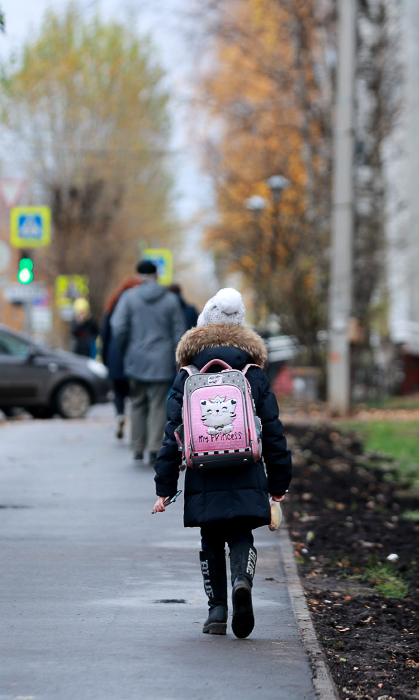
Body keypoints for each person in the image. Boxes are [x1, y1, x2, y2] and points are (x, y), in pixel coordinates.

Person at [151, 288, 293, 639]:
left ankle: (216, 613)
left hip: (203, 471)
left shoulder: (187, 373)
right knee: (240, 533)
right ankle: (242, 581)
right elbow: (273, 431)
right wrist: (279, 485)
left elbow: (173, 435)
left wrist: (165, 487)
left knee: (210, 538)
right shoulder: (253, 372)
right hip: (246, 466)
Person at [111, 260, 186, 462]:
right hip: (161, 359)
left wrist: (126, 349)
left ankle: (137, 446)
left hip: (135, 358)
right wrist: (174, 356)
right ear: (156, 275)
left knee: (136, 402)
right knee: (158, 404)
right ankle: (154, 447)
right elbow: (179, 331)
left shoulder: (128, 298)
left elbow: (118, 327)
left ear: (139, 276)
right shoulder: (170, 300)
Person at [100, 275, 141, 440]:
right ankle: (135, 425)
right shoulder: (137, 305)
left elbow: (104, 334)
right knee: (135, 394)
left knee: (118, 392)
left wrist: (105, 358)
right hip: (134, 356)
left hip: (114, 355)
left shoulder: (112, 306)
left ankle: (119, 416)